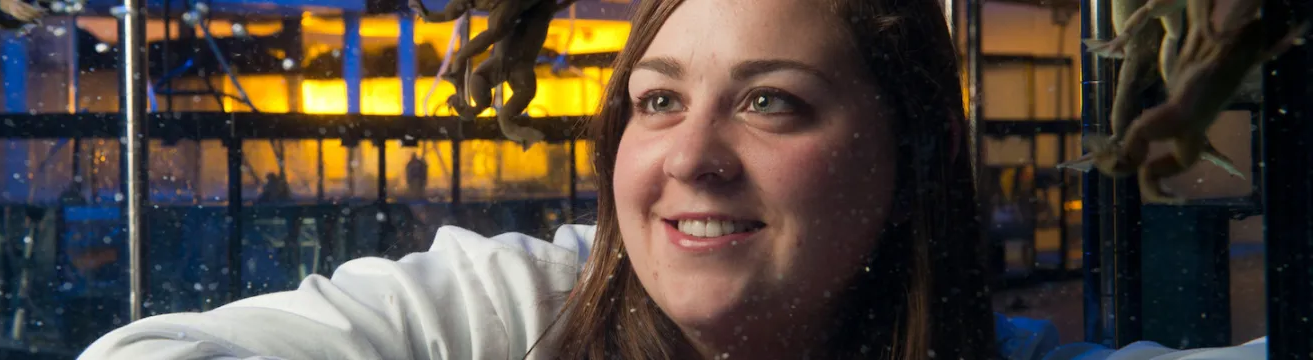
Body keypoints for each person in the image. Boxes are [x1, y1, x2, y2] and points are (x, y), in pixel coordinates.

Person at [78, 0, 1270, 359]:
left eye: (770, 102)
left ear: (911, 162)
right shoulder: (507, 314)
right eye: (657, 99)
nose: (690, 156)